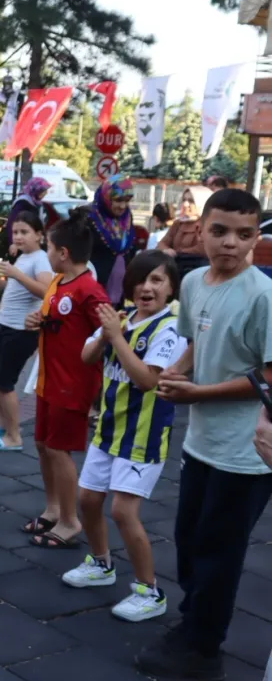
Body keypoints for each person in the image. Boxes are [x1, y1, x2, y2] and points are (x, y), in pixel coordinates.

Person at [138, 189, 272, 678]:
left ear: (255, 238)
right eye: (219, 231)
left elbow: (269, 376)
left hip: (246, 452)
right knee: (189, 541)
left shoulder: (263, 296)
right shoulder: (193, 281)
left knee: (219, 551)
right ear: (201, 230)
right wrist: (179, 370)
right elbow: (198, 339)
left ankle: (204, 649)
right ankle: (193, 623)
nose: (230, 243)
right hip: (200, 442)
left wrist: (199, 393)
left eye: (244, 234)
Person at [64, 250, 185, 622]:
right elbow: (87, 356)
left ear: (171, 288)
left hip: (143, 436)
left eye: (157, 280)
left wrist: (116, 338)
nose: (147, 287)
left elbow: (148, 380)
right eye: (140, 280)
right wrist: (106, 335)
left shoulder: (171, 329)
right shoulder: (121, 318)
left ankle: (150, 591)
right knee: (88, 499)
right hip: (108, 430)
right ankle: (101, 563)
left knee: (123, 511)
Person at [22, 207, 109, 549]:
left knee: (59, 450)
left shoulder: (89, 290)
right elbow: (55, 321)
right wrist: (37, 320)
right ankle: (54, 509)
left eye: (48, 247)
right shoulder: (58, 283)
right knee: (44, 445)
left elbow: (110, 332)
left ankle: (71, 521)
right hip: (49, 380)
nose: (46, 253)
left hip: (72, 384)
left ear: (63, 253)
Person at [0, 211, 52, 451]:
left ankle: (14, 437)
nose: (18, 237)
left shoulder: (40, 259)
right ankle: (7, 423)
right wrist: (0, 281)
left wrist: (16, 274)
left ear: (39, 235)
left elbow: (46, 291)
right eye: (15, 232)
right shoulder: (24, 257)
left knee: (4, 383)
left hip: (23, 330)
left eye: (24, 232)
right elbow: (17, 289)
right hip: (7, 326)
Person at [88, 175, 137, 306]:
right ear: (106, 197)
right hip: (96, 292)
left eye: (127, 201)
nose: (123, 206)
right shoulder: (90, 218)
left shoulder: (127, 218)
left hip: (120, 291)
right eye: (118, 200)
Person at [156, 185, 211, 280]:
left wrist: (176, 253)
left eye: (191, 201)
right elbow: (162, 243)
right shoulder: (178, 223)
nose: (185, 204)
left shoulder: (208, 224)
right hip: (175, 271)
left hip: (197, 274)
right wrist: (166, 250)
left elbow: (202, 249)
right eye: (184, 200)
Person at [6, 177, 53, 253]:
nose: (46, 193)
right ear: (36, 190)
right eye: (43, 191)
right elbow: (12, 222)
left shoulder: (37, 203)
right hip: (22, 244)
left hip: (33, 243)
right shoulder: (22, 202)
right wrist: (13, 243)